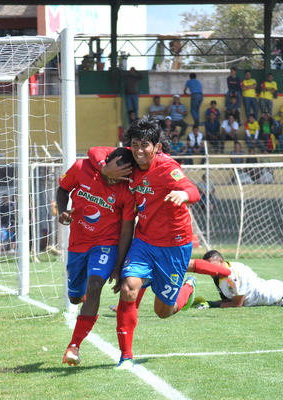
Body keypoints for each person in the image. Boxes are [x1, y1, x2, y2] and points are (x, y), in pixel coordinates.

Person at [88, 117, 203, 370]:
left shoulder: (167, 167)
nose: (139, 151)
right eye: (135, 144)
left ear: (157, 147)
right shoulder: (127, 158)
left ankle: (188, 290)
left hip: (174, 246)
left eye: (145, 145)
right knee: (129, 288)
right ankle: (126, 357)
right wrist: (104, 168)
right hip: (144, 241)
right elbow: (94, 151)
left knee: (164, 311)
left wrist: (182, 194)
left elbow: (192, 190)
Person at [59, 147, 137, 367]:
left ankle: (74, 345)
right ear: (106, 164)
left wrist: (119, 266)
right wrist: (63, 210)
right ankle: (82, 299)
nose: (116, 182)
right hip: (78, 243)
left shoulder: (127, 191)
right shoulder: (81, 168)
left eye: (123, 177)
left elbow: (125, 231)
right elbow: (63, 189)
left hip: (105, 245)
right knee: (75, 298)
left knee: (95, 285)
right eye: (115, 175)